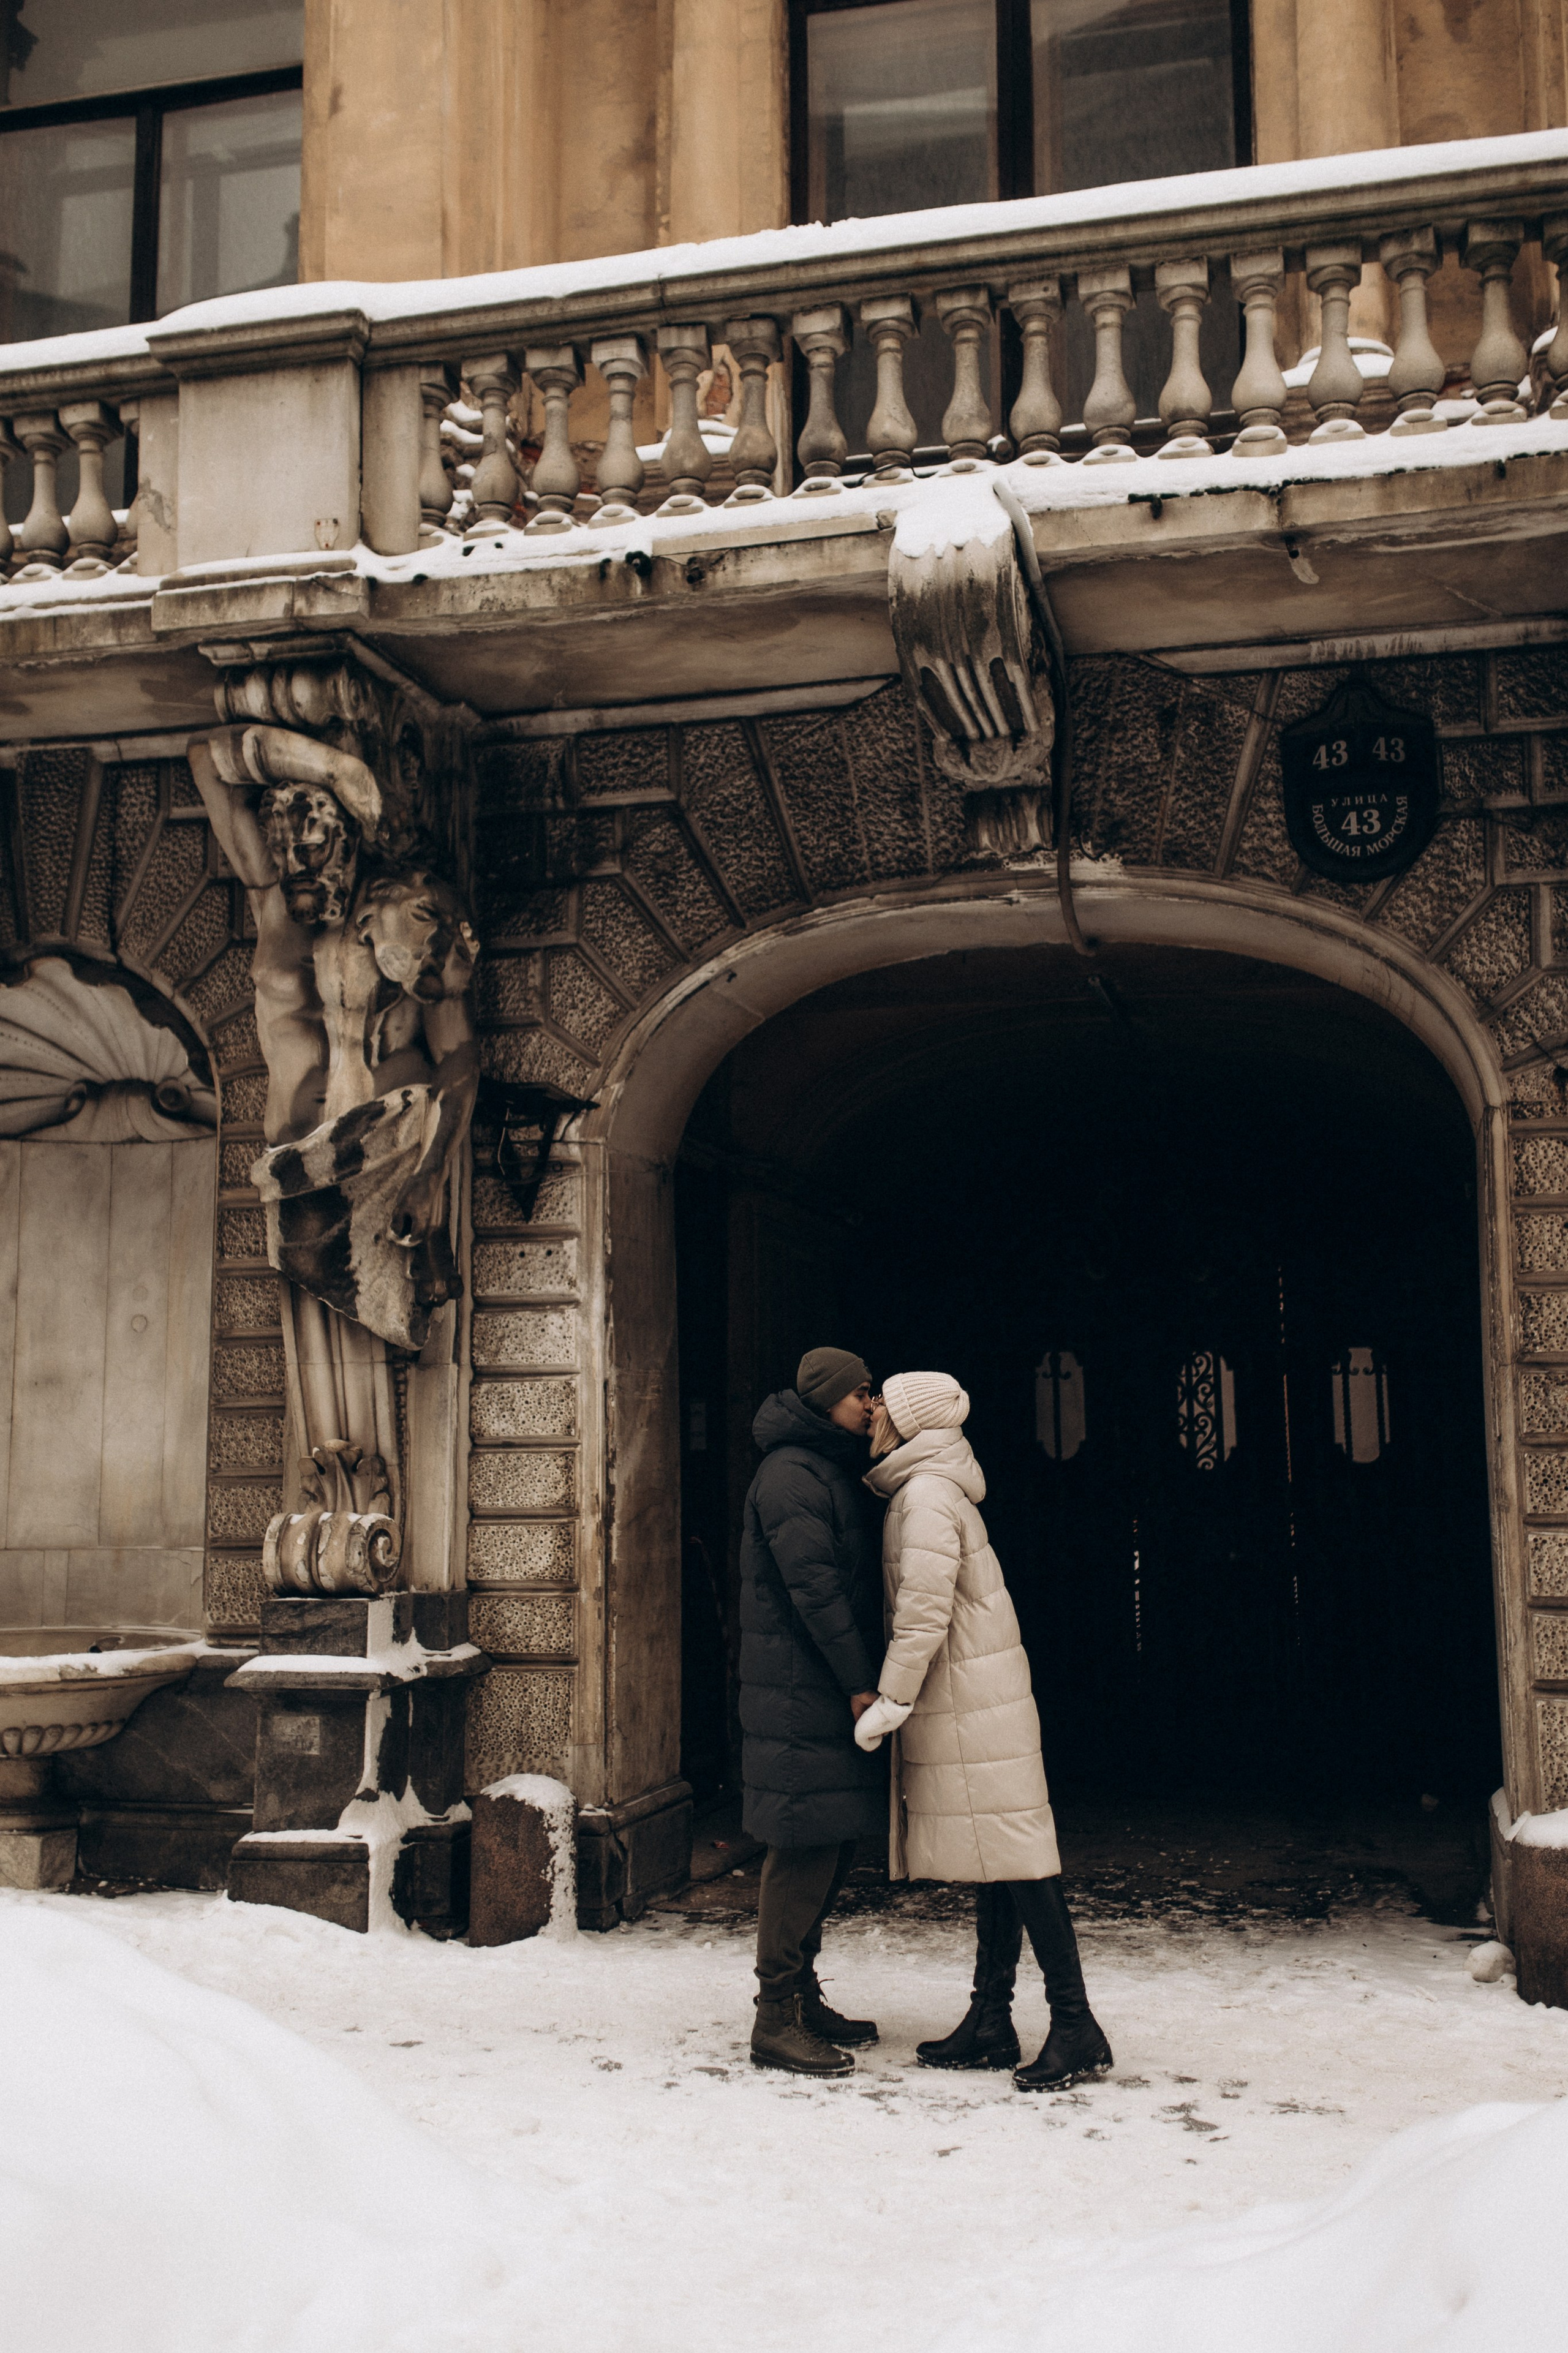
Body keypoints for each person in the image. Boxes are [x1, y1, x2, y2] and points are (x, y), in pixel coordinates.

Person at [854, 1371, 1113, 2093]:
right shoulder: (928, 1485)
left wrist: (892, 1697)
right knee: (998, 1855)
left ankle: (1075, 2023)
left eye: (885, 1403)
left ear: (909, 1423)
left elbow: (924, 1611)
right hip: (975, 1695)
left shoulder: (927, 1495)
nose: (871, 1409)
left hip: (973, 1700)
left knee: (1022, 1859)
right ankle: (991, 2017)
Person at [740, 1346, 886, 2077]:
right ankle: (774, 2017)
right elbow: (816, 1590)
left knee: (830, 1838)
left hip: (815, 1687)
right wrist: (860, 1681)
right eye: (861, 1391)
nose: (871, 1402)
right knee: (801, 1843)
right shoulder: (791, 1474)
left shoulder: (824, 1463)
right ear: (827, 1398)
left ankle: (800, 1991)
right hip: (802, 1690)